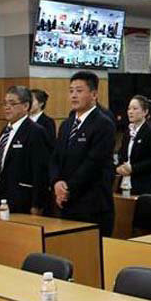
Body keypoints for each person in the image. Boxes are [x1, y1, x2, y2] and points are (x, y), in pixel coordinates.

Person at [49, 71, 116, 236]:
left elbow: (93, 164)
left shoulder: (103, 124)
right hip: (67, 204)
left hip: (92, 205)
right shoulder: (66, 124)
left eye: (79, 91)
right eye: (71, 91)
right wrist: (56, 182)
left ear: (94, 94)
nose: (73, 95)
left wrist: (67, 188)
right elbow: (55, 157)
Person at [0, 86, 50, 214]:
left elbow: (40, 171)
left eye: (12, 103)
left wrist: (37, 204)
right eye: (5, 103)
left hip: (22, 200)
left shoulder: (36, 132)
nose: (7, 107)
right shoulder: (5, 130)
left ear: (26, 106)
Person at [116, 95, 151, 195]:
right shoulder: (128, 131)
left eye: (135, 108)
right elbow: (122, 154)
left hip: (145, 183)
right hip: (126, 181)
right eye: (129, 109)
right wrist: (119, 166)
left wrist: (133, 168)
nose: (130, 112)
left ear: (145, 112)